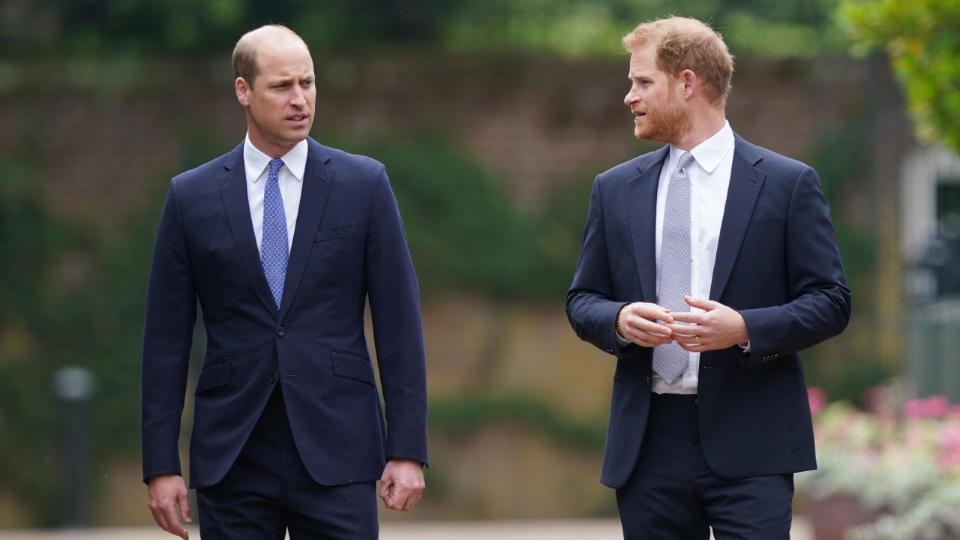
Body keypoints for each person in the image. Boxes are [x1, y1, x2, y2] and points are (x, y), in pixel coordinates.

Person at [566, 16, 851, 539]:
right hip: (648, 444)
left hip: (754, 440)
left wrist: (743, 328)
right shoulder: (614, 189)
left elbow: (831, 301)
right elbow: (582, 299)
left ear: (688, 82)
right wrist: (621, 319)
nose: (629, 97)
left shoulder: (788, 184)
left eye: (642, 82)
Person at [141, 24, 428, 539]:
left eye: (309, 83)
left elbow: (399, 325)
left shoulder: (364, 185)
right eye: (282, 86)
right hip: (232, 454)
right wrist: (161, 465)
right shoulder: (191, 197)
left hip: (339, 449)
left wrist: (406, 450)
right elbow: (165, 340)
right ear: (243, 91)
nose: (300, 100)